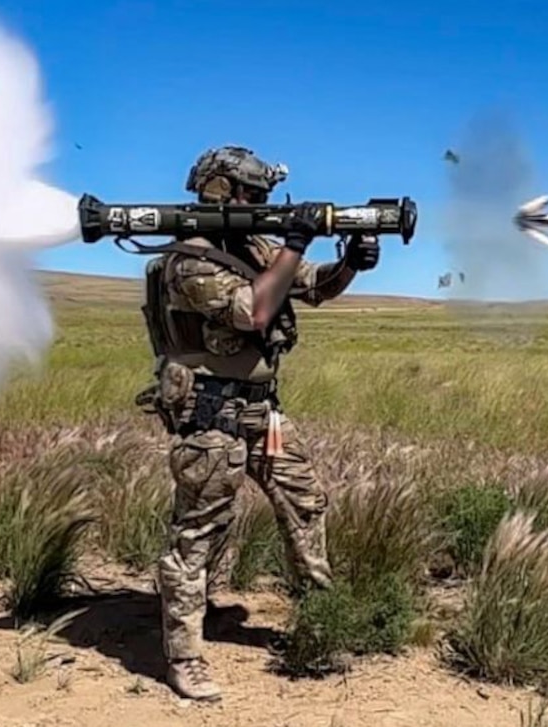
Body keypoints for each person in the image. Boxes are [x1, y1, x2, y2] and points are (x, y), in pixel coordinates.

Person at [138, 145, 380, 701]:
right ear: (221, 193)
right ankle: (186, 656)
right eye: (252, 195)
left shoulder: (253, 246)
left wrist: (349, 263)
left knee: (306, 503)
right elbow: (254, 311)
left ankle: (322, 617)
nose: (261, 205)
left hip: (261, 409)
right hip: (209, 416)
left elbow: (309, 284)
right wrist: (295, 241)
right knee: (198, 535)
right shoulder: (188, 260)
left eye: (265, 197)